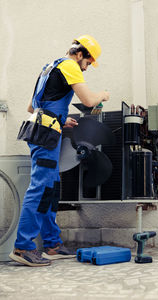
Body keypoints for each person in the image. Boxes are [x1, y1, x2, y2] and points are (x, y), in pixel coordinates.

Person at [9, 34, 109, 267]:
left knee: (50, 189)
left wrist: (61, 122)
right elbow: (88, 100)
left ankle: (52, 244)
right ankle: (23, 247)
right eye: (88, 63)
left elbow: (32, 107)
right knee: (40, 188)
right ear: (80, 54)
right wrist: (102, 95)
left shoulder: (49, 67)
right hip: (45, 136)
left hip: (44, 130)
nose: (86, 69)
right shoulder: (70, 65)